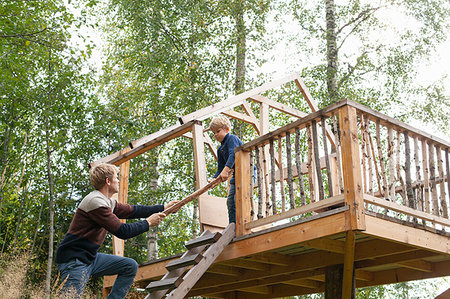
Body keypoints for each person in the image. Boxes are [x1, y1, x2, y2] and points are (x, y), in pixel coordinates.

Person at [55, 163, 180, 298]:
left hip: (89, 257)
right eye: (116, 177)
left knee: (129, 266)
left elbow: (133, 210)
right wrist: (148, 223)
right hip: (75, 260)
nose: (119, 181)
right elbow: (123, 231)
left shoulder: (108, 202)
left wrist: (164, 207)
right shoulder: (95, 201)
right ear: (108, 181)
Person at [209, 116, 243, 223]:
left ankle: (241, 222)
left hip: (247, 171)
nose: (215, 135)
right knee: (230, 201)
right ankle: (233, 225)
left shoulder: (232, 139)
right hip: (236, 175)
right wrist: (214, 179)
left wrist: (226, 170)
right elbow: (220, 168)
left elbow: (233, 154)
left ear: (227, 129)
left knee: (240, 198)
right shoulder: (220, 150)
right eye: (213, 133)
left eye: (218, 131)